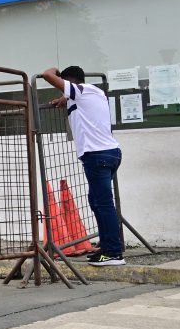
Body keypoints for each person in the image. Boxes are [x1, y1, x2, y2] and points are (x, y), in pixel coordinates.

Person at [43, 65, 124, 266]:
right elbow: (78, 101)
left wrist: (55, 70)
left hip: (97, 155)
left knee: (104, 204)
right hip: (109, 153)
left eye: (63, 85)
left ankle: (113, 253)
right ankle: (107, 246)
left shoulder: (80, 91)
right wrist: (65, 99)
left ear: (69, 81)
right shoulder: (94, 93)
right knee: (96, 201)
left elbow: (47, 75)